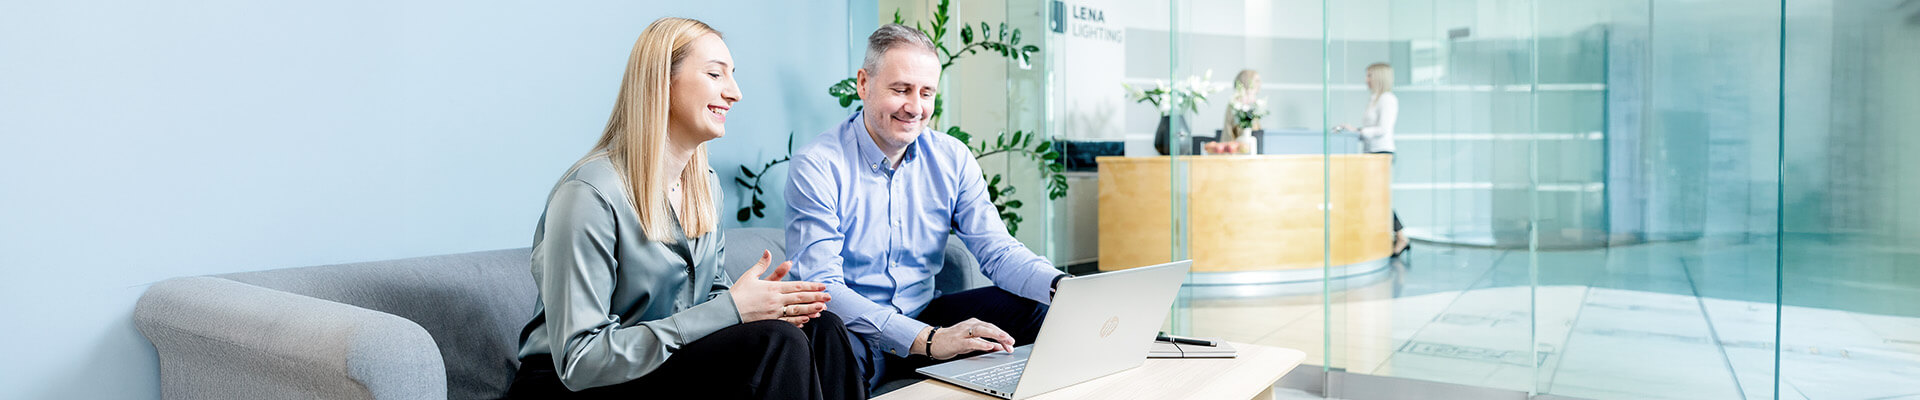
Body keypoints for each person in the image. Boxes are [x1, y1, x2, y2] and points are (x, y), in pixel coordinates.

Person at [508, 17, 865, 400]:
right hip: (575, 384)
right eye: (715, 74)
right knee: (778, 342)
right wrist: (731, 309)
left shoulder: (705, 187)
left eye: (732, 75)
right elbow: (582, 362)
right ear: (662, 81)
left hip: (661, 365)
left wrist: (762, 306)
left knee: (824, 329)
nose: (735, 93)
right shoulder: (589, 194)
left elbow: (710, 300)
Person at [784, 24, 1071, 392]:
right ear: (863, 84)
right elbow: (823, 288)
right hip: (856, 331)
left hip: (926, 315)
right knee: (823, 329)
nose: (915, 108)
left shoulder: (952, 158)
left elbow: (997, 250)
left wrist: (1060, 286)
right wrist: (928, 339)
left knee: (1036, 306)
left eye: (926, 93)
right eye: (901, 90)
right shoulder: (818, 164)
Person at [1336, 62, 1408, 258]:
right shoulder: (1374, 99)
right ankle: (1391, 236)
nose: (1366, 80)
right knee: (1373, 197)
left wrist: (1358, 131)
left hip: (1382, 152)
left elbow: (1383, 129)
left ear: (1378, 77)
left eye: (1369, 76)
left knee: (1378, 197)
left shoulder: (1387, 99)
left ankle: (1400, 236)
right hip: (1370, 152)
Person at [1212, 69, 1262, 155]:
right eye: (1256, 80)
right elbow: (1240, 131)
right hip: (1235, 151)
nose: (1259, 84)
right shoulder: (1236, 104)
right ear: (1247, 81)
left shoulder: (1250, 104)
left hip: (1245, 149)